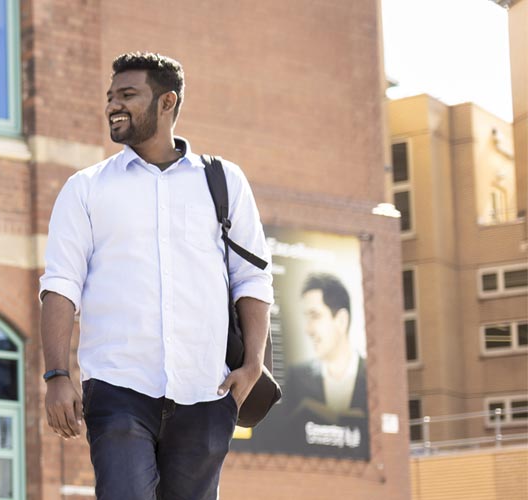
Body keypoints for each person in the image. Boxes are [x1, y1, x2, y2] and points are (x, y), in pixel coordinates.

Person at [38, 52, 274, 500]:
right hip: (117, 388)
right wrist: (57, 375)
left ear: (167, 103)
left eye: (127, 95)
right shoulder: (86, 188)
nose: (112, 106)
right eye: (110, 97)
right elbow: (60, 286)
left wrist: (254, 364)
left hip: (206, 389)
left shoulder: (223, 182)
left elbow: (252, 279)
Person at [285, 273, 367, 426]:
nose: (307, 329)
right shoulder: (296, 378)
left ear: (342, 320)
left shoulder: (373, 376)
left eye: (315, 316)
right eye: (306, 318)